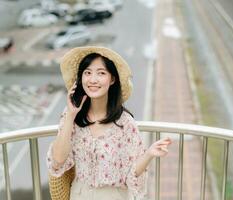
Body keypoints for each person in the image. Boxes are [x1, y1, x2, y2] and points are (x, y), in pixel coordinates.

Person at [46, 46, 172, 200]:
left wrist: (149, 154)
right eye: (87, 73)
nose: (93, 80)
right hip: (80, 195)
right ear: (81, 79)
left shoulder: (125, 123)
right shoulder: (71, 115)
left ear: (112, 79)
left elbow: (130, 174)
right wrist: (71, 116)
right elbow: (58, 161)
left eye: (101, 73)